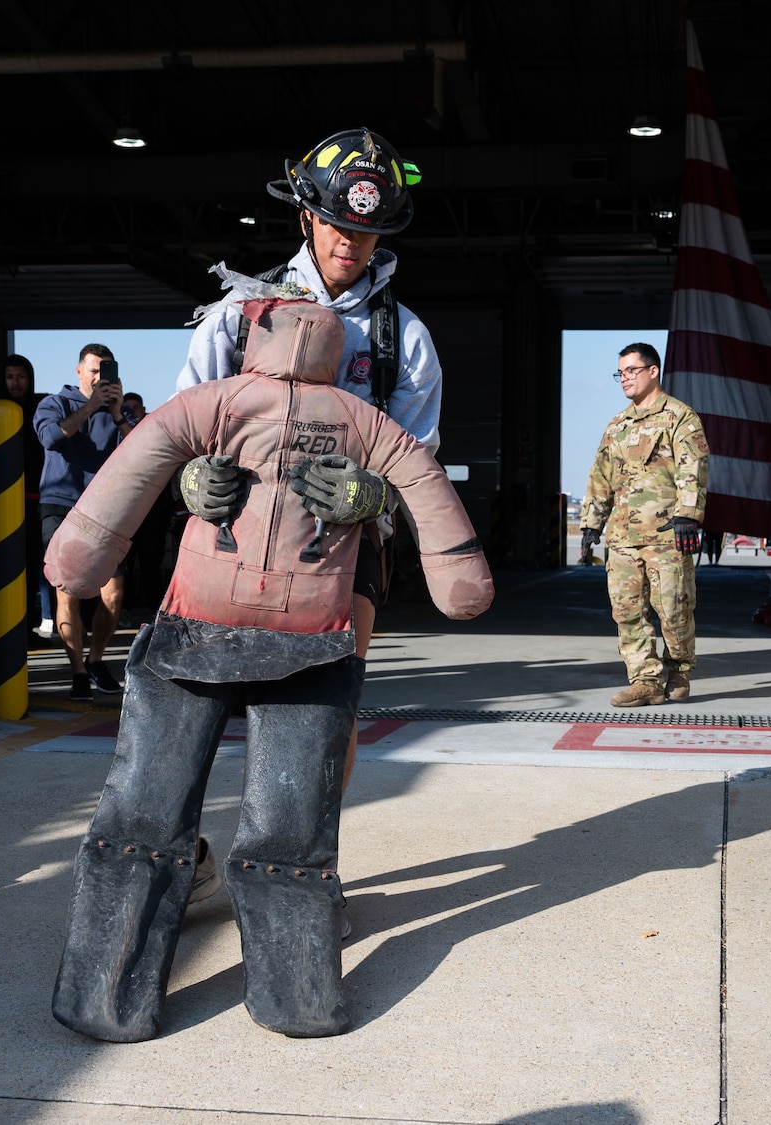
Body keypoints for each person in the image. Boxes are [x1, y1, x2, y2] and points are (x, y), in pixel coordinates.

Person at [45, 292, 492, 1042]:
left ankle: (104, 996)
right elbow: (420, 469)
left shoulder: (385, 335)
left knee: (141, 819)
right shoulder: (345, 393)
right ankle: (296, 999)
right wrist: (198, 483)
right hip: (312, 635)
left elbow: (145, 450)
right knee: (290, 832)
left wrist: (368, 498)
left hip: (199, 626)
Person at [172, 128, 444, 890]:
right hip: (232, 530)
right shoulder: (240, 311)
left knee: (329, 708)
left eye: (368, 230)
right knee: (198, 698)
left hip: (344, 542)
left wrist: (377, 493)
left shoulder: (404, 338)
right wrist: (192, 479)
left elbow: (417, 456)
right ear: (305, 217)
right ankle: (181, 854)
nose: (351, 244)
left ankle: (295, 858)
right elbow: (180, 422)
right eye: (338, 225)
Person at [579, 342, 710, 707]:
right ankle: (645, 681)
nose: (625, 378)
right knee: (627, 611)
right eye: (620, 373)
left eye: (632, 371)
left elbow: (693, 468)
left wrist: (688, 515)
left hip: (667, 534)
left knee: (673, 609)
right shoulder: (617, 425)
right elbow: (601, 475)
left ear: (654, 372)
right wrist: (592, 522)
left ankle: (680, 671)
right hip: (622, 537)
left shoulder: (680, 417)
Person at [35, 344, 133, 700]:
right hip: (61, 505)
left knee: (114, 594)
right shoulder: (54, 403)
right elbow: (49, 437)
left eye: (105, 370)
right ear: (79, 372)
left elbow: (144, 451)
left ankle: (95, 660)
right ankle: (77, 670)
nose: (98, 377)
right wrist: (91, 406)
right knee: (67, 592)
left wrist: (119, 414)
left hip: (105, 509)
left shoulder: (116, 411)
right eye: (93, 370)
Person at [4, 354, 49, 639]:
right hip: (2, 504)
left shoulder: (40, 409)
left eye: (20, 376)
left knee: (34, 566)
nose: (15, 382)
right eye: (9, 376)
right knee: (8, 565)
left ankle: (31, 623)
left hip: (36, 498)